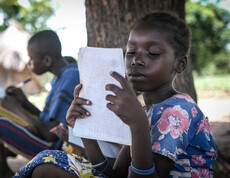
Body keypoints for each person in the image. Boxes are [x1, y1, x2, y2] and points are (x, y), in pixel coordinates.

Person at [14, 12, 217, 178]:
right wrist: (84, 131)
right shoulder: (144, 111)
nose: (137, 60)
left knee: (47, 168)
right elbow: (115, 175)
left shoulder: (179, 111)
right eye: (131, 52)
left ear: (179, 64)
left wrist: (138, 126)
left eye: (153, 53)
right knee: (50, 160)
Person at [0, 30, 80, 177]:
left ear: (47, 61)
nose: (28, 63)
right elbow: (46, 118)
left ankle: (3, 172)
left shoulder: (70, 77)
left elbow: (51, 133)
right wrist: (24, 103)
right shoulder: (61, 77)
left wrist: (16, 108)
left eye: (31, 58)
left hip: (54, 149)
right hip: (47, 139)